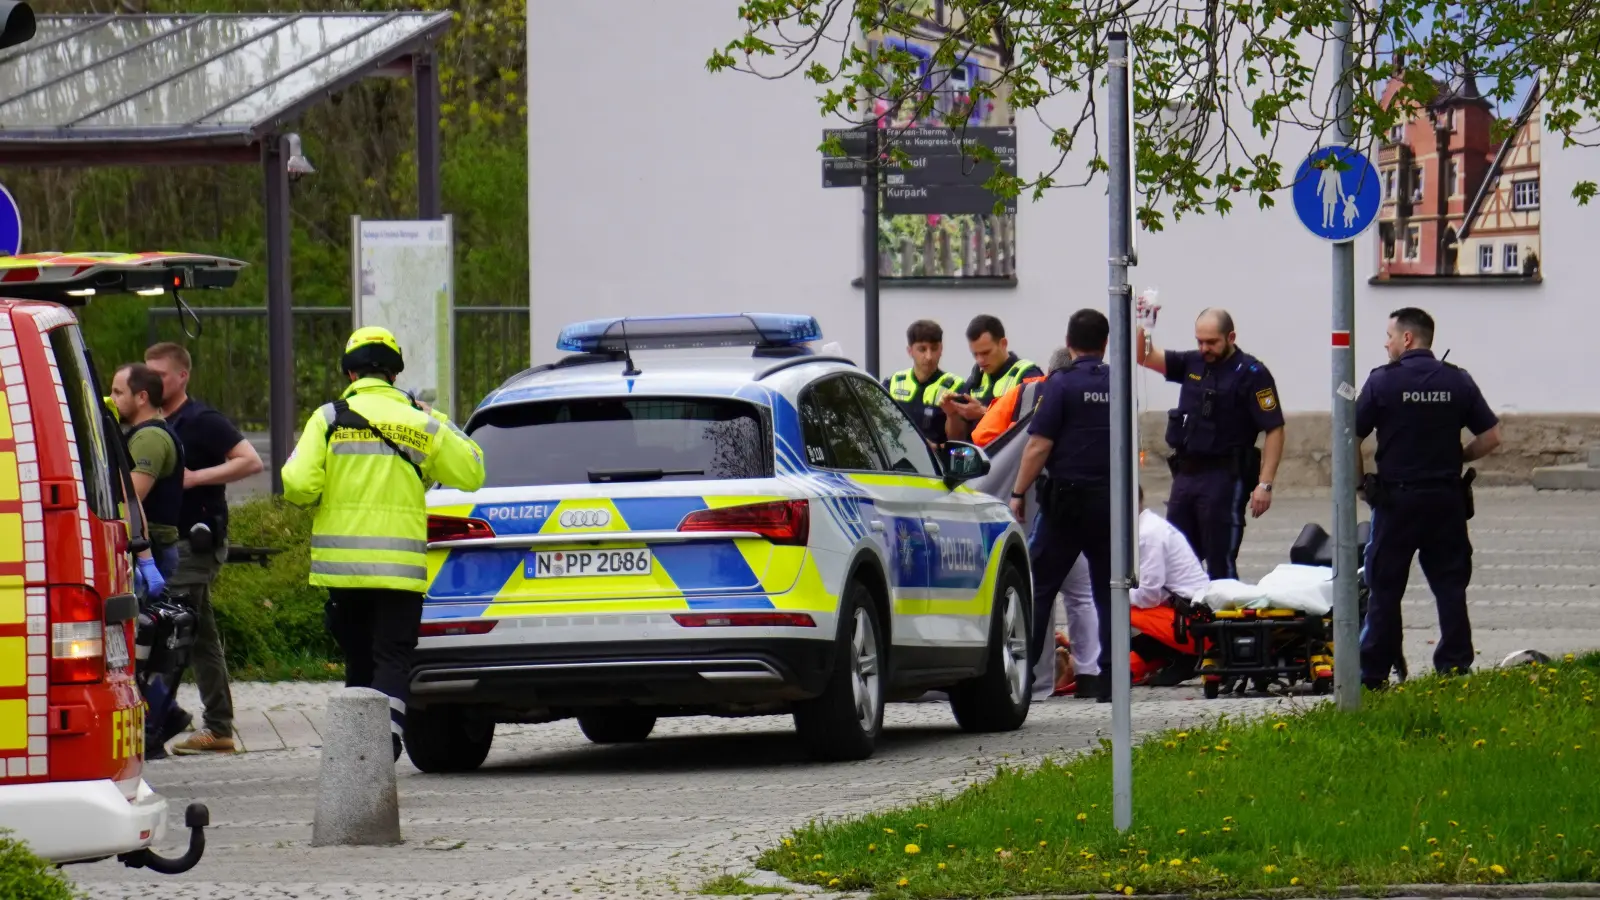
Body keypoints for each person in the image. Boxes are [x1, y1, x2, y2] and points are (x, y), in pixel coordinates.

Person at [281, 327, 486, 760]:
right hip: (399, 568)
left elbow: (298, 486)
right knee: (392, 656)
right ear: (395, 374)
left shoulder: (328, 419)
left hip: (343, 568)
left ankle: (358, 752)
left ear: (350, 373)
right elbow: (472, 471)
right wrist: (439, 418)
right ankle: (386, 742)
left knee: (359, 657)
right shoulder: (420, 422)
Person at [1355, 307, 1500, 689]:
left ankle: (1373, 673)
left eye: (1389, 336)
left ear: (1406, 339)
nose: (1385, 343)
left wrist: (1360, 484)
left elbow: (1350, 435)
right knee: (1450, 587)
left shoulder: (1382, 381)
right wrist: (1459, 456)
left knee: (1385, 589)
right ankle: (1454, 668)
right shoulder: (1457, 380)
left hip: (1396, 502)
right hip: (1445, 500)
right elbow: (1491, 437)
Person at [144, 342, 265, 756]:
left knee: (169, 630)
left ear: (183, 376)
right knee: (198, 637)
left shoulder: (201, 420)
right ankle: (216, 726)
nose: (153, 382)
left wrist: (196, 478)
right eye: (148, 374)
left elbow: (250, 460)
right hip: (169, 545)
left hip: (193, 544)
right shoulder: (154, 422)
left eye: (161, 375)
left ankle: (158, 721)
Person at [1009, 309, 1112, 702]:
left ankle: (1020, 678)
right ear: (1105, 343)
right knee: (1108, 590)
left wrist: (1018, 491)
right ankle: (1108, 679)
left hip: (1066, 505)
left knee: (1037, 586)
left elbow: (1038, 445)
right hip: (1107, 504)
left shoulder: (1060, 384)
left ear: (1069, 344)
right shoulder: (1119, 383)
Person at [1137, 308, 1285, 581]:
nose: (1205, 348)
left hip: (1224, 479)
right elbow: (1143, 356)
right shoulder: (1192, 362)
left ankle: (1222, 609)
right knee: (1176, 560)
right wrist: (1144, 324)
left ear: (1231, 337)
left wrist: (1265, 484)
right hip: (1185, 476)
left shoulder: (1252, 373)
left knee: (1220, 564)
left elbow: (1274, 428)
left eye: (1212, 342)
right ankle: (1186, 610)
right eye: (1200, 341)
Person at [110, 363, 187, 757]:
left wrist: (143, 559)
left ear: (142, 397)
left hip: (151, 549)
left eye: (118, 392)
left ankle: (157, 720)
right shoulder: (145, 434)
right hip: (152, 549)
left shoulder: (150, 438)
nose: (112, 399)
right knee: (146, 644)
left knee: (140, 647)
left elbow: (129, 497)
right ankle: (164, 714)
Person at [1126, 486, 1213, 687]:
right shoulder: (1147, 527)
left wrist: (1112, 594)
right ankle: (1168, 655)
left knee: (1116, 608)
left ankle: (1184, 655)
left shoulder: (1147, 535)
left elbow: (1148, 596)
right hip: (1190, 614)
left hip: (1192, 621)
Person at [942, 314, 1042, 442]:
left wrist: (983, 413)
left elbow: (1029, 430)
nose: (980, 360)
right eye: (975, 354)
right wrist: (952, 415)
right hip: (977, 453)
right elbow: (957, 439)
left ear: (1003, 344)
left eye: (986, 353)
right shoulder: (975, 380)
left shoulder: (1028, 375)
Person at [882, 319, 963, 445]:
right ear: (910, 351)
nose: (929, 356)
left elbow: (959, 440)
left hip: (935, 456)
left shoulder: (956, 386)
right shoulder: (893, 383)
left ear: (941, 349)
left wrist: (952, 415)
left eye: (934, 349)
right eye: (922, 349)